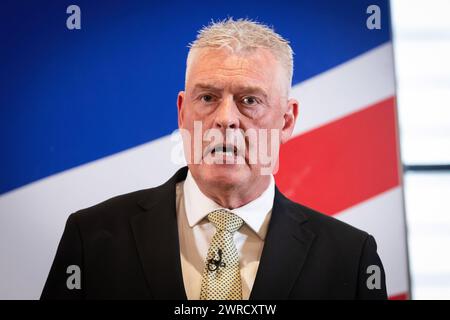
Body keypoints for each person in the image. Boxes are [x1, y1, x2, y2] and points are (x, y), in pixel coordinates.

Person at [41, 18, 387, 300]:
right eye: (207, 97)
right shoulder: (92, 238)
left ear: (287, 120)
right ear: (182, 112)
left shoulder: (351, 258)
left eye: (249, 100)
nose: (225, 119)